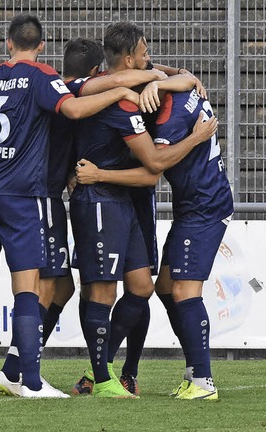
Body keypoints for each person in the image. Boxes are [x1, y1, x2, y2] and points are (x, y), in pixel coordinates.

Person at [0, 15, 140, 398]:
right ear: (42, 46)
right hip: (32, 195)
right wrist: (123, 92)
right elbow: (79, 107)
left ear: (8, 43)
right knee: (36, 284)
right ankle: (24, 378)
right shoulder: (48, 81)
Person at [68, 22, 218, 398]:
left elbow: (182, 76)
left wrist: (160, 81)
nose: (151, 57)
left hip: (135, 197)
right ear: (129, 57)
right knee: (99, 290)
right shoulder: (100, 85)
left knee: (142, 287)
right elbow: (75, 105)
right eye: (145, 51)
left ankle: (127, 372)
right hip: (105, 192)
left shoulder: (146, 77)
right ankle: (100, 374)